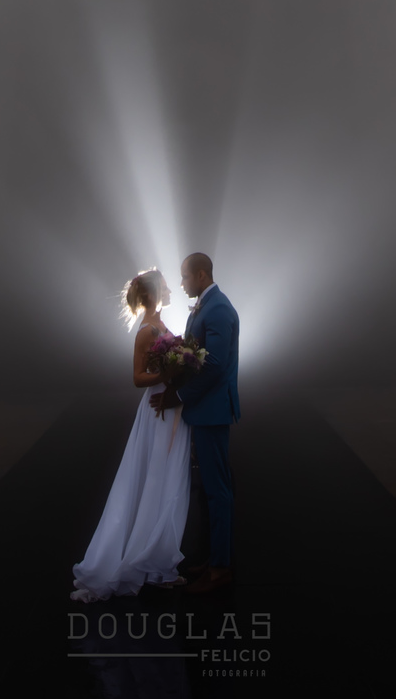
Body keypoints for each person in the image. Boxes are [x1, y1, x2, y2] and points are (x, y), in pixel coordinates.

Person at [71, 269, 191, 601]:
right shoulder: (147, 331)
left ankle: (157, 560)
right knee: (158, 481)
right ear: (153, 292)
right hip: (159, 410)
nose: (170, 289)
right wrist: (169, 373)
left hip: (170, 407)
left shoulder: (159, 325)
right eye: (165, 285)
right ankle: (150, 561)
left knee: (167, 480)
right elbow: (138, 378)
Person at [154, 252, 240, 596]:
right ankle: (214, 559)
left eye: (185, 277)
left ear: (201, 275)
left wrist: (181, 395)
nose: (182, 283)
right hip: (206, 411)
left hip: (212, 412)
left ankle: (220, 569)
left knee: (218, 492)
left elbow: (215, 365)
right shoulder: (208, 306)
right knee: (210, 491)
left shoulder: (218, 309)